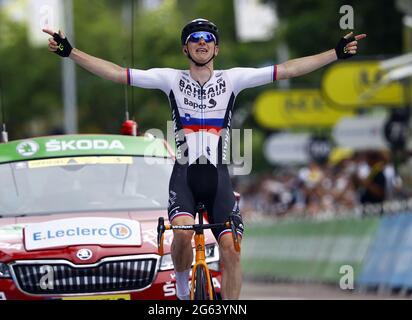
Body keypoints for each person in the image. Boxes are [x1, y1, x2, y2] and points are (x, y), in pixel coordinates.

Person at [43, 18, 366, 300]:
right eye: (194, 39)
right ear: (185, 49)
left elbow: (288, 69)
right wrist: (71, 51)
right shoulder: (169, 79)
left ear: (216, 49)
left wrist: (334, 54)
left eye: (207, 39)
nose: (201, 43)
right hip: (184, 174)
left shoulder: (233, 79)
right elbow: (116, 73)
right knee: (182, 232)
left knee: (231, 251)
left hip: (217, 176)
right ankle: (183, 294)